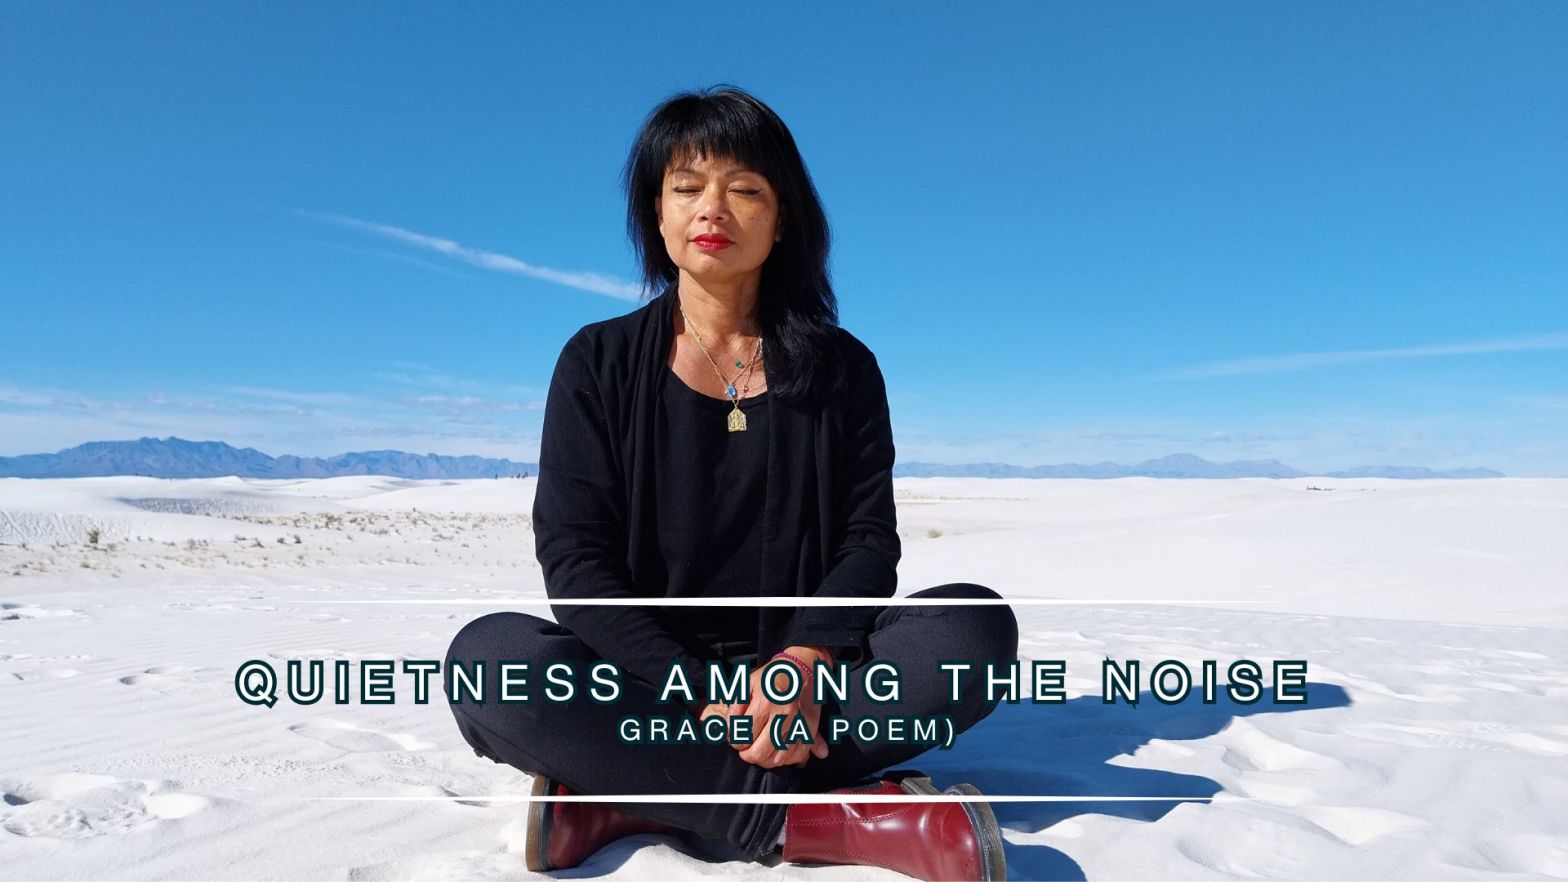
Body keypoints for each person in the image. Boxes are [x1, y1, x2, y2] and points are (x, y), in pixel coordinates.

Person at [444, 85, 1019, 881]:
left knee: (971, 633)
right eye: (687, 186)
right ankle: (838, 826)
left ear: (782, 220)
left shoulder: (845, 370)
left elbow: (866, 541)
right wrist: (701, 689)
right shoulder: (596, 363)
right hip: (649, 679)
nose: (713, 207)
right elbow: (576, 564)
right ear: (658, 213)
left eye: (745, 188)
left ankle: (630, 793)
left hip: (812, 679)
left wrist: (806, 660)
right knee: (489, 662)